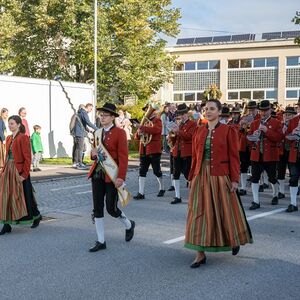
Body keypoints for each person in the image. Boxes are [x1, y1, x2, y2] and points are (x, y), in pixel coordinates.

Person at [185, 99, 252, 268]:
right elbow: (195, 157)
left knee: (224, 211)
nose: (208, 111)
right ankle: (199, 253)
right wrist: (191, 176)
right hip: (200, 176)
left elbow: (234, 158)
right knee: (198, 212)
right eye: (206, 109)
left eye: (212, 109)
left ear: (219, 111)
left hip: (220, 175)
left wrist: (235, 180)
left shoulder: (229, 131)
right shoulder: (199, 131)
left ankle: (233, 239)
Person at [87, 103, 135, 252]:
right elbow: (94, 155)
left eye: (105, 115)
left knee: (111, 208)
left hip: (112, 175)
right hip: (98, 174)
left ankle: (129, 224)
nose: (102, 117)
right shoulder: (97, 133)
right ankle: (101, 241)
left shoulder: (120, 133)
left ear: (113, 117)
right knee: (97, 208)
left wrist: (121, 177)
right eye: (101, 115)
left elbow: (123, 157)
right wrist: (93, 154)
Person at [0, 115, 42, 235]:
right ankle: (6, 224)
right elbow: (7, 156)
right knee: (5, 196)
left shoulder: (23, 138)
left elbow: (27, 158)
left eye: (12, 123)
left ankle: (36, 216)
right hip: (8, 169)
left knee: (26, 196)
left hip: (20, 170)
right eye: (9, 123)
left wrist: (24, 174)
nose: (10, 125)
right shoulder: (8, 138)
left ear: (18, 124)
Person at [247, 100, 283, 210]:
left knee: (272, 178)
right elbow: (248, 139)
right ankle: (255, 201)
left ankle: (275, 194)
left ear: (270, 110)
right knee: (255, 178)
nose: (263, 113)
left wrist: (267, 130)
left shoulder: (276, 123)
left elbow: (279, 138)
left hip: (270, 155)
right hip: (256, 154)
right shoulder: (254, 123)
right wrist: (253, 136)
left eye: (266, 110)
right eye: (262, 111)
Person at [133, 104, 165, 200]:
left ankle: (162, 188)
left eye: (149, 110)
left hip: (154, 149)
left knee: (156, 170)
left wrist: (142, 128)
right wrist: (139, 133)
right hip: (143, 149)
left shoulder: (157, 120)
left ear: (154, 111)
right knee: (142, 171)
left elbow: (156, 130)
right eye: (146, 110)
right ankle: (141, 192)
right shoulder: (144, 122)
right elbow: (136, 137)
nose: (147, 112)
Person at [168, 103, 196, 204]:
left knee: (188, 174)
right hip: (177, 152)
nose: (181, 115)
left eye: (183, 113)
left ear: (187, 114)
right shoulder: (179, 124)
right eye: (180, 114)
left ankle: (193, 196)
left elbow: (189, 136)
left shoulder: (193, 124)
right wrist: (172, 135)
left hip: (187, 153)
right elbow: (174, 139)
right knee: (175, 174)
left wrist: (178, 131)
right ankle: (177, 196)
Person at [238, 101, 260, 196]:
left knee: (256, 167)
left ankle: (259, 185)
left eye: (253, 109)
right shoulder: (244, 117)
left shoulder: (260, 118)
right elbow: (239, 132)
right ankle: (243, 187)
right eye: (250, 109)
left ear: (257, 109)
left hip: (254, 146)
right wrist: (241, 126)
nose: (251, 111)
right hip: (244, 145)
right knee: (243, 167)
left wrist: (251, 124)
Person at [73, 103, 98, 169]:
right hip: (80, 132)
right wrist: (97, 129)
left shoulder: (80, 112)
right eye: (91, 109)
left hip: (77, 132)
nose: (91, 110)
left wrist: (89, 130)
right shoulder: (84, 113)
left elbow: (82, 124)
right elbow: (88, 122)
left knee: (77, 148)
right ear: (88, 107)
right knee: (80, 148)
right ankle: (79, 164)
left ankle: (75, 163)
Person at [284, 108, 300, 212]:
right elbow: (286, 139)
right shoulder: (293, 121)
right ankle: (293, 203)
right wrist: (292, 133)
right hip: (295, 154)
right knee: (293, 178)